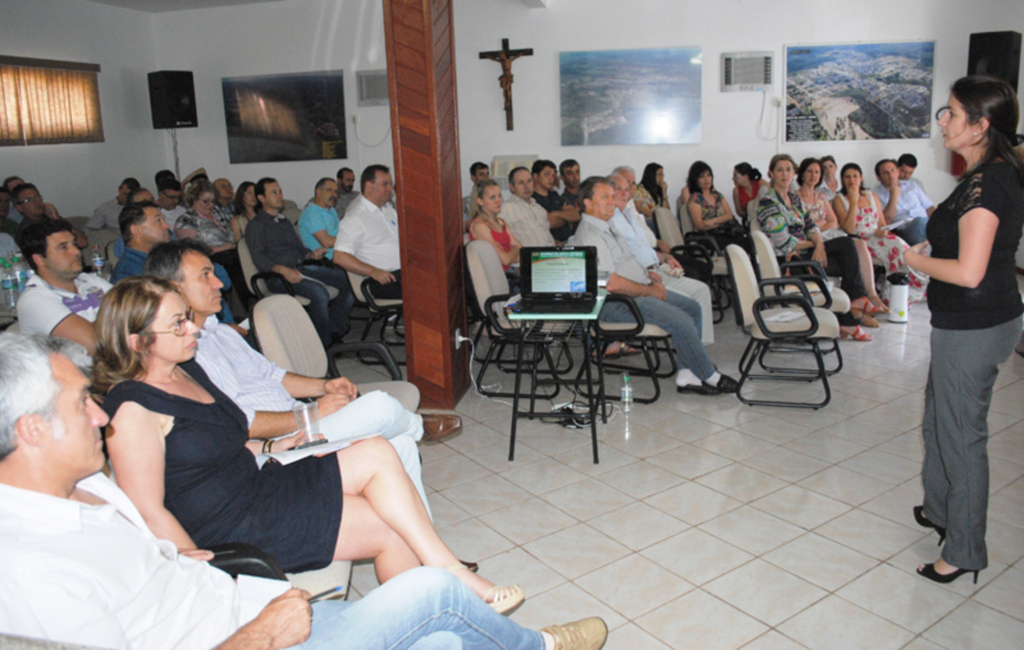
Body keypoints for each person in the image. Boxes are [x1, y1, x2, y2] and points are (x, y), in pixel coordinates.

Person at [0, 332, 607, 650]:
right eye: (82, 403)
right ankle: (542, 645)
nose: (100, 415)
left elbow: (207, 461)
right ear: (31, 429)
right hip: (251, 635)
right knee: (431, 593)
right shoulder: (28, 571)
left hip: (245, 604)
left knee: (447, 638)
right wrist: (263, 633)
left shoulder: (89, 495)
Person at [94, 277, 525, 613]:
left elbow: (226, 441)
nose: (192, 329)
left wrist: (274, 448)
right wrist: (198, 570)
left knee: (376, 449)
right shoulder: (132, 407)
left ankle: (444, 573)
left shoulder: (187, 370)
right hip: (230, 524)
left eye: (187, 316)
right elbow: (147, 509)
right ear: (137, 341)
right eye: (177, 324)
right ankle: (440, 590)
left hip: (259, 483)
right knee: (394, 532)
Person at [142, 239, 462, 520]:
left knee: (400, 445)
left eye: (213, 273)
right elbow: (240, 423)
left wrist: (323, 387)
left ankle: (424, 551)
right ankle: (419, 426)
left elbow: (275, 376)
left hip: (302, 425)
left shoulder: (222, 333)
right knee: (378, 405)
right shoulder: (186, 357)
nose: (219, 284)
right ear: (173, 288)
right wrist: (313, 413)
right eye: (205, 276)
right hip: (277, 449)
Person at [905, 76, 1024, 585]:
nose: (943, 121)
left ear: (981, 126)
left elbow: (971, 272)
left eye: (952, 113)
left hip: (973, 325)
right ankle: (939, 509)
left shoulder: (987, 183)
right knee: (939, 421)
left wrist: (915, 260)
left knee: (960, 438)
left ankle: (963, 551)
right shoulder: (987, 173)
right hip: (971, 320)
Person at [569, 176, 737, 395]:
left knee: (692, 307)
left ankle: (687, 375)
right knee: (682, 321)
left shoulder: (606, 226)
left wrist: (648, 275)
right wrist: (650, 291)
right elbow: (611, 284)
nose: (612, 201)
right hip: (616, 303)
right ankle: (708, 375)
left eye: (612, 195)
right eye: (605, 197)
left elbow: (625, 262)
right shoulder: (591, 235)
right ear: (588, 203)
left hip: (637, 292)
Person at [757, 154, 873, 341]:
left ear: (794, 173)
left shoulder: (794, 199)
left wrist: (819, 244)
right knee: (846, 258)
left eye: (788, 169)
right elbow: (785, 242)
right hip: (790, 260)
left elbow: (811, 226)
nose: (785, 174)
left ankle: (854, 309)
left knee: (847, 244)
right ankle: (852, 315)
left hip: (807, 254)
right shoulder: (767, 203)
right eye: (779, 170)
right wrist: (815, 244)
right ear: (771, 173)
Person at [609, 171, 714, 344]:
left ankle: (702, 346)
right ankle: (694, 353)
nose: (625, 193)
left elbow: (644, 248)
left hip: (657, 268)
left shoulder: (628, 214)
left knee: (702, 290)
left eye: (628, 188)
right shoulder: (610, 220)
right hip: (644, 277)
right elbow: (624, 260)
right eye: (619, 189)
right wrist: (648, 273)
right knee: (688, 303)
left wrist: (665, 257)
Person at [247, 177, 353, 346]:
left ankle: (333, 330)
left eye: (280, 191)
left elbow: (299, 249)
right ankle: (323, 345)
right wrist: (283, 270)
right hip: (277, 277)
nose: (280, 196)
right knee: (319, 293)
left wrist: (312, 255)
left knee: (348, 281)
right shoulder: (256, 226)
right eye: (274, 192)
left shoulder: (283, 222)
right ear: (261, 198)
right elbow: (259, 258)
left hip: (301, 268)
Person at [795, 157, 889, 319]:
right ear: (802, 174)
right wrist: (819, 224)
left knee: (858, 243)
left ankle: (870, 295)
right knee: (850, 245)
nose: (813, 175)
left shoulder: (821, 197)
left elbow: (833, 222)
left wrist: (818, 224)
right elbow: (801, 227)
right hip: (812, 241)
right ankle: (857, 310)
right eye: (809, 171)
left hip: (831, 236)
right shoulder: (795, 198)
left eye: (817, 172)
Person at [833, 162, 928, 305]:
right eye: (847, 177)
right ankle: (892, 295)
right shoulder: (839, 199)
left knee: (901, 246)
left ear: (861, 178)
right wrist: (853, 202)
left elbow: (882, 223)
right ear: (842, 180)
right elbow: (849, 229)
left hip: (877, 236)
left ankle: (911, 289)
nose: (852, 180)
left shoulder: (871, 196)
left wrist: (882, 231)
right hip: (859, 240)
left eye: (855, 176)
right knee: (895, 250)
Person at [14, 218, 111, 352]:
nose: (76, 251)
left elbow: (137, 313)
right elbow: (93, 345)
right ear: (39, 259)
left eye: (74, 244)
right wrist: (120, 321)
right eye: (63, 247)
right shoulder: (34, 300)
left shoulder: (91, 280)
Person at [175, 178, 253, 311]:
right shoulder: (187, 220)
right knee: (234, 261)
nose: (210, 205)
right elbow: (191, 251)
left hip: (232, 251)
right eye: (205, 201)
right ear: (194, 199)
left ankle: (256, 297)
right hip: (210, 257)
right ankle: (247, 306)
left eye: (212, 201)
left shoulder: (218, 214)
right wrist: (221, 248)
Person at [332, 165, 403, 302]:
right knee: (433, 288)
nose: (390, 189)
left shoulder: (387, 209)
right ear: (369, 186)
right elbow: (340, 256)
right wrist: (373, 271)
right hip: (383, 279)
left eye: (390, 184)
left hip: (403, 273)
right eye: (385, 184)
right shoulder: (356, 217)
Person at [687, 161, 749, 252]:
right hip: (708, 236)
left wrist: (712, 222)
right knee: (737, 246)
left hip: (725, 231)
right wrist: (721, 220)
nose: (706, 179)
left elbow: (729, 215)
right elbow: (699, 225)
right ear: (695, 180)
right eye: (701, 176)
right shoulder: (695, 199)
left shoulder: (718, 195)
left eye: (708, 175)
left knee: (749, 241)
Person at [874, 158, 936, 245]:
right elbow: (885, 222)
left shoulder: (912, 185)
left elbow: (929, 207)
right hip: (904, 230)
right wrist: (893, 196)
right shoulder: (875, 195)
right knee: (920, 222)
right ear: (879, 177)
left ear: (898, 172)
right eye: (885, 173)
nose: (891, 175)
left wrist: (939, 222)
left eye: (893, 170)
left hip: (926, 224)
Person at [110, 201, 173, 283]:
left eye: (163, 220)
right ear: (136, 231)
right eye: (158, 221)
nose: (167, 226)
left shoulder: (157, 259)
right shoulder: (129, 275)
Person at [468, 178, 521, 270]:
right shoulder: (479, 226)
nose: (499, 201)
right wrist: (515, 250)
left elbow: (522, 250)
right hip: (503, 276)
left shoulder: (501, 222)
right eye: (492, 197)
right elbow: (505, 260)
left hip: (514, 270)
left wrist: (514, 252)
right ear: (480, 201)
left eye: (499, 196)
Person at [499, 166, 557, 248]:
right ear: (512, 187)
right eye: (521, 183)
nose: (527, 186)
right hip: (527, 259)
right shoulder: (507, 208)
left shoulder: (539, 208)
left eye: (529, 181)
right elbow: (496, 236)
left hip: (550, 256)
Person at [532, 159, 580, 243]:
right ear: (536, 177)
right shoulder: (532, 199)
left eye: (553, 175)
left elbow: (576, 215)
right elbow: (549, 223)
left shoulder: (555, 195)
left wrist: (555, 214)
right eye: (547, 175)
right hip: (550, 244)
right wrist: (566, 215)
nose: (551, 178)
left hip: (568, 241)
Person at [298, 177, 341, 259]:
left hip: (340, 254)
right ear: (318, 192)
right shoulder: (311, 213)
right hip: (324, 260)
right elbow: (326, 242)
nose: (334, 195)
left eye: (336, 192)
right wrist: (351, 239)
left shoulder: (331, 210)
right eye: (329, 190)